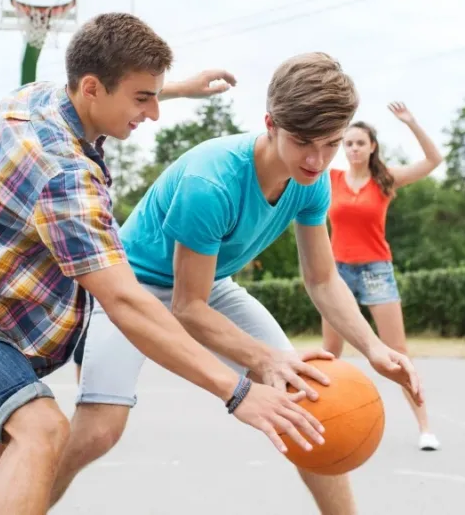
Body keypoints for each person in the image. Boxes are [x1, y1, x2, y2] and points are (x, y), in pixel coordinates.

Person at [0, 13, 327, 515]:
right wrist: (236, 391)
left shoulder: (34, 100)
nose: (153, 113)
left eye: (154, 96)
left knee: (20, 432)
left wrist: (175, 88)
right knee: (42, 428)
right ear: (92, 88)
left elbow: (99, 83)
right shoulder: (66, 178)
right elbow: (125, 302)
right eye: (142, 98)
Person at [50, 52, 424, 514]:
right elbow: (187, 308)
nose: (317, 159)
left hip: (210, 286)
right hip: (131, 285)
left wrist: (373, 347)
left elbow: (323, 279)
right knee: (99, 431)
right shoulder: (212, 181)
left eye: (331, 144)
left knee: (306, 400)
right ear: (271, 124)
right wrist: (265, 358)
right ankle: (23, 499)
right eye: (303, 142)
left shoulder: (313, 180)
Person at [323, 102, 444, 451]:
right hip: (336, 273)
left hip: (376, 271)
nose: (353, 149)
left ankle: (425, 428)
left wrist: (411, 122)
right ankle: (322, 422)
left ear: (372, 146)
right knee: (331, 352)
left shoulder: (384, 179)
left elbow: (433, 161)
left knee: (397, 351)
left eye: (360, 143)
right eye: (348, 143)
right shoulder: (330, 180)